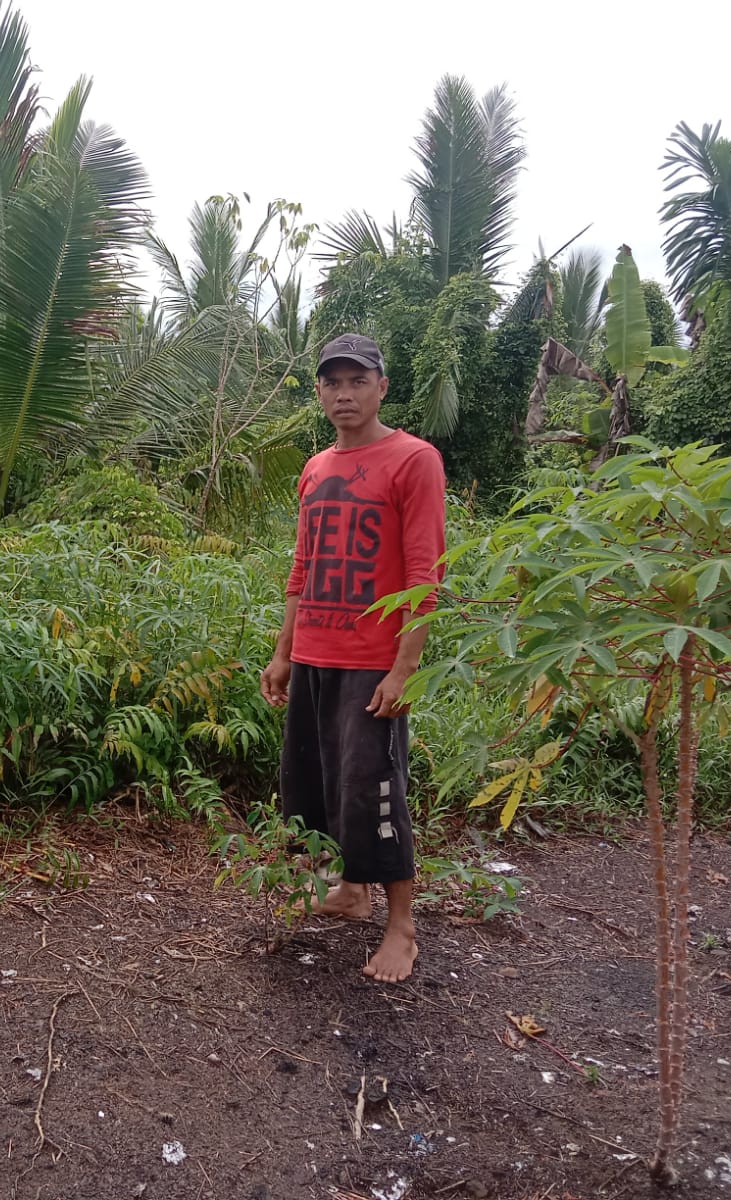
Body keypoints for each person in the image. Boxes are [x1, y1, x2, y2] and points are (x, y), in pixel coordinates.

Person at [260, 333, 446, 983]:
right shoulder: (315, 468)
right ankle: (351, 891)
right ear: (318, 391)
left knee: (376, 791)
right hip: (315, 653)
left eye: (357, 380)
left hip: (372, 661)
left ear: (381, 387)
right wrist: (284, 653)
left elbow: (427, 572)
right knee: (317, 785)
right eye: (332, 382)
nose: (344, 393)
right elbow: (301, 569)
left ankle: (401, 928)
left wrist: (403, 668)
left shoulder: (413, 460)